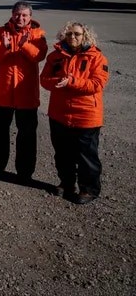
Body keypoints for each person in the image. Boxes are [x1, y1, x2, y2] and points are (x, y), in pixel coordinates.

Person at [41, 22, 109, 204]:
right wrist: (56, 82)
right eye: (69, 34)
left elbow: (97, 84)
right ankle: (67, 183)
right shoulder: (55, 57)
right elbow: (44, 80)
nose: (73, 37)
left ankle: (89, 189)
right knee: (62, 153)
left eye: (77, 34)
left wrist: (72, 81)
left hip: (86, 115)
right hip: (60, 113)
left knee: (87, 155)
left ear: (85, 35)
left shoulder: (96, 57)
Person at [0, 1, 48, 182]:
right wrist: (5, 47)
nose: (20, 18)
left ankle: (25, 172)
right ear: (12, 14)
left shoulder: (38, 34)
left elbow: (39, 56)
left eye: (24, 15)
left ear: (30, 17)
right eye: (17, 14)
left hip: (26, 94)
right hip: (3, 93)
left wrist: (24, 45)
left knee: (27, 135)